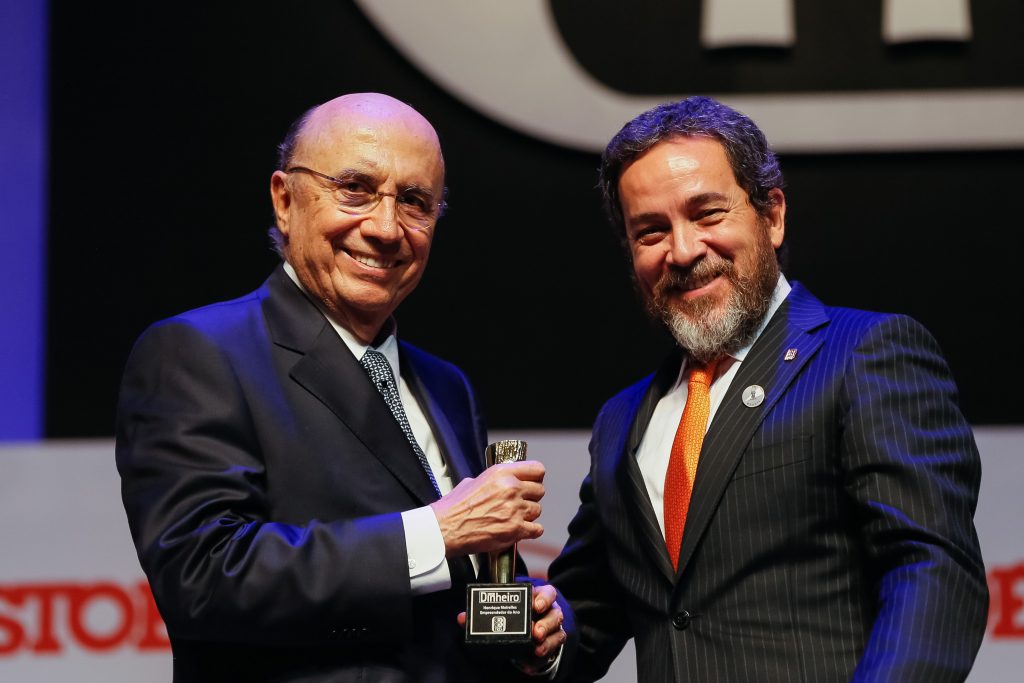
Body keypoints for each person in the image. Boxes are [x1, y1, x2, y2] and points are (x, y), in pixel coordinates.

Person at [116, 93, 573, 682]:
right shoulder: (199, 352)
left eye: (414, 201)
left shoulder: (444, 384)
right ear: (285, 200)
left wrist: (528, 632)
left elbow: (443, 598)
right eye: (355, 188)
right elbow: (203, 576)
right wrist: (438, 530)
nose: (386, 228)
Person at [547, 96, 988, 682]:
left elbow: (932, 570)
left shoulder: (865, 352)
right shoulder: (621, 420)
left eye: (707, 214)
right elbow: (587, 614)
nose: (682, 251)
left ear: (772, 216)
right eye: (650, 232)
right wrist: (539, 629)